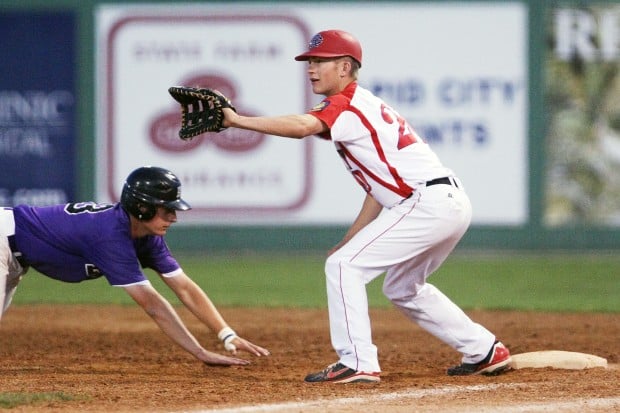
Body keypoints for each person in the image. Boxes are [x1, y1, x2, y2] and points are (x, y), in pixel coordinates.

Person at [218, 29, 511, 383]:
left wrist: (235, 120)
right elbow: (376, 189)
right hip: (446, 201)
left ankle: (357, 361)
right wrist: (353, 236)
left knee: (343, 267)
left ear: (345, 67)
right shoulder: (359, 106)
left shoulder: (346, 103)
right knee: (401, 287)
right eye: (309, 62)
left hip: (427, 202)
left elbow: (300, 127)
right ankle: (484, 350)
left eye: (319, 62)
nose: (311, 69)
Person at [0, 166, 270, 367]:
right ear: (142, 209)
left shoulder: (147, 236)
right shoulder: (110, 235)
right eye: (166, 210)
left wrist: (226, 335)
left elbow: (184, 288)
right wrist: (199, 352)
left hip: (15, 257)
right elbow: (152, 304)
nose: (174, 218)